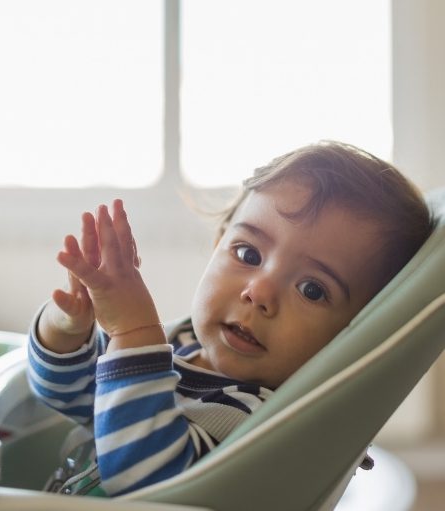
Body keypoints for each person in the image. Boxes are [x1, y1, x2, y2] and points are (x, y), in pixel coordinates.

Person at [27, 140, 436, 496]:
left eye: (312, 289)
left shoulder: (256, 422)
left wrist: (133, 331)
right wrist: (66, 328)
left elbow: (145, 480)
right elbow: (68, 394)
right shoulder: (183, 341)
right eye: (248, 254)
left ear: (353, 330)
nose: (259, 293)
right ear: (217, 241)